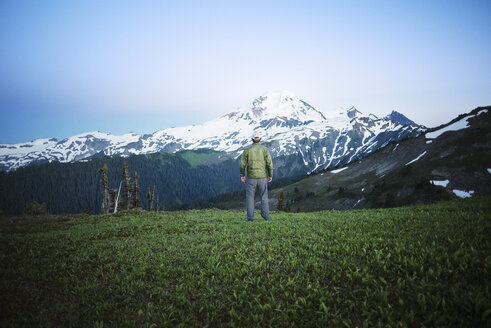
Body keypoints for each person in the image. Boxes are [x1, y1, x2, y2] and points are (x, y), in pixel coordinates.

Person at [240, 132, 273, 221]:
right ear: (260, 139)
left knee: (250, 197)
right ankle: (266, 217)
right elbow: (269, 163)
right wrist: (270, 175)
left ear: (252, 139)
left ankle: (250, 218)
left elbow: (242, 164)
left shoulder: (247, 150)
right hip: (262, 177)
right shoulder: (264, 149)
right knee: (264, 196)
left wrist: (242, 175)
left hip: (251, 177)